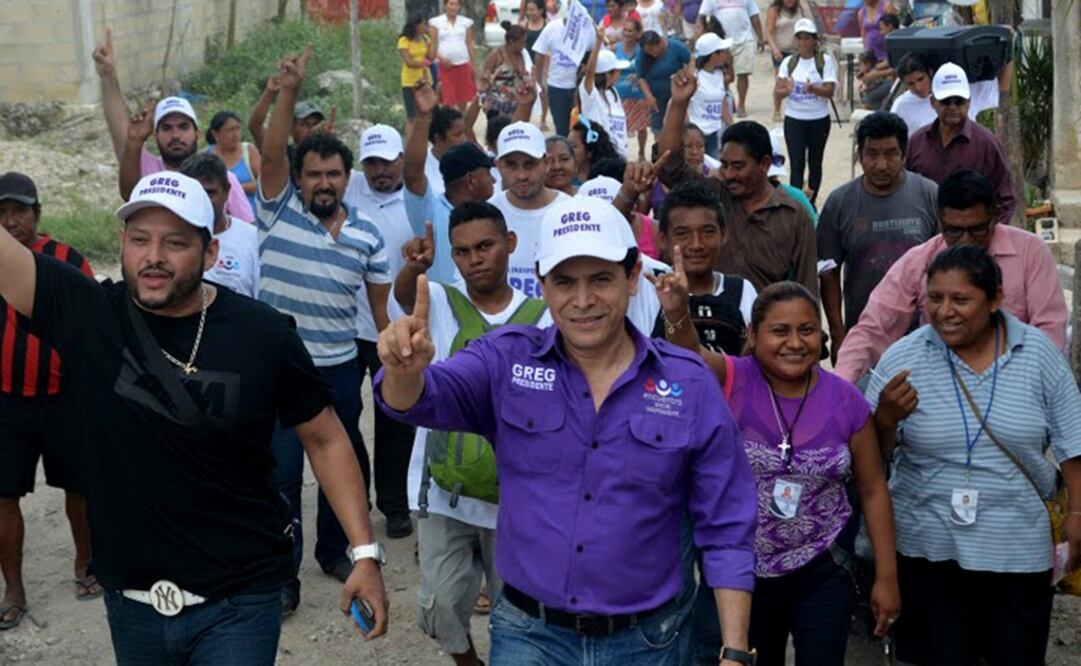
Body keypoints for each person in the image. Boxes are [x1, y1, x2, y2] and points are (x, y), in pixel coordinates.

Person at [0, 168, 389, 660]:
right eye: (140, 239)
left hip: (239, 599)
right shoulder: (90, 313)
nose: (154, 257)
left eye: (176, 243)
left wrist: (364, 554)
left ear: (210, 253)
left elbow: (325, 437)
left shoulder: (263, 333)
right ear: (122, 244)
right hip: (132, 601)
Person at [374, 194, 758, 666]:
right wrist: (404, 370)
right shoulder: (505, 359)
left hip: (649, 643)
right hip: (530, 638)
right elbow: (420, 399)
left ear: (633, 277)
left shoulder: (688, 381)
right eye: (564, 282)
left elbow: (726, 523)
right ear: (542, 284)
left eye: (601, 279)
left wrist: (734, 650)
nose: (582, 301)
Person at [655, 269, 900, 664]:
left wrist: (886, 578)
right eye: (780, 331)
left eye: (807, 330)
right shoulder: (733, 378)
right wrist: (677, 311)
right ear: (754, 334)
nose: (795, 343)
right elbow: (689, 355)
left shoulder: (846, 400)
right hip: (743, 576)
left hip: (823, 566)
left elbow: (872, 489)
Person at [867, 244, 1081, 665]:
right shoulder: (904, 358)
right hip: (928, 549)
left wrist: (1077, 514)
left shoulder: (1037, 354)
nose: (944, 311)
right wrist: (885, 419)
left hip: (1017, 550)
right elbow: (870, 462)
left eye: (960, 299)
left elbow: (1073, 443)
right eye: (934, 298)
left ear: (995, 299)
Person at [257, 47, 393, 615]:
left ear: (346, 178)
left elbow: (381, 314)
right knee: (282, 473)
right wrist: (288, 90)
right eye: (313, 173)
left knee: (345, 462)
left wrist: (394, 360)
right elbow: (270, 150)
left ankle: (337, 552)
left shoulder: (368, 236)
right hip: (277, 367)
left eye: (333, 173)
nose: (323, 182)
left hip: (338, 366)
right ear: (298, 178)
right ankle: (281, 575)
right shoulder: (275, 209)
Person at [393, 201, 546, 666]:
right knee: (440, 605)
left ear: (510, 244)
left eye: (485, 246)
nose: (475, 259)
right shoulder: (440, 301)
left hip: (516, 500)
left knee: (517, 613)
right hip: (444, 492)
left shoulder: (544, 317)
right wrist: (412, 269)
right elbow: (408, 298)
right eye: (461, 252)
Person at [834, 169, 1067, 383]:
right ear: (940, 221)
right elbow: (873, 329)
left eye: (977, 229)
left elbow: (1049, 332)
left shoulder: (1031, 252)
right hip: (941, 385)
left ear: (995, 217)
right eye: (954, 231)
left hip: (1016, 381)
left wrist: (1016, 384)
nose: (966, 240)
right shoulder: (919, 260)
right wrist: (840, 386)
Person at [0, 173, 97, 630]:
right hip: (6, 401)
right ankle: (13, 590)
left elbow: (94, 324)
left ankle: (86, 565)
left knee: (79, 488)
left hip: (66, 398)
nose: (11, 221)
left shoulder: (67, 260)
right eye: (2, 213)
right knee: (4, 495)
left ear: (37, 214)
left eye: (20, 210)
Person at [649, 71, 820, 296]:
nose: (729, 174)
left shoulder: (794, 216)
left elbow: (806, 287)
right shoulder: (713, 195)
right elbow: (669, 166)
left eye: (738, 166)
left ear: (765, 164)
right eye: (725, 165)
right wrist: (679, 104)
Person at [92, 30, 254, 223]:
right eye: (167, 128)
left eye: (183, 127)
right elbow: (121, 130)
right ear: (155, 135)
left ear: (197, 134)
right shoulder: (145, 168)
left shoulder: (222, 179)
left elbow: (246, 231)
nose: (176, 135)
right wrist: (107, 75)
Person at [344, 125, 419, 540]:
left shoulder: (417, 201)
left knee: (395, 418)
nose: (380, 171)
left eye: (387, 161)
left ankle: (394, 504)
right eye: (371, 163)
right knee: (343, 418)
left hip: (396, 327)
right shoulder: (351, 189)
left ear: (402, 159)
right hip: (347, 327)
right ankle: (354, 500)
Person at [817, 111, 939, 364]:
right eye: (872, 154)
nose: (881, 165)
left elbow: (947, 264)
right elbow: (828, 273)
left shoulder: (930, 195)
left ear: (904, 155)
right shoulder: (839, 203)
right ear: (859, 155)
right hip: (864, 337)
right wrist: (839, 335)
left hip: (924, 337)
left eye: (891, 154)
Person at [404, 81, 499, 284]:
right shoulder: (432, 212)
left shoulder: (490, 213)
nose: (493, 179)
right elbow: (412, 175)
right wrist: (423, 119)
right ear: (471, 180)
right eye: (487, 173)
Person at [650, 180, 757, 353]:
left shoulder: (742, 290)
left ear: (724, 234)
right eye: (682, 234)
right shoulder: (651, 289)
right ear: (663, 239)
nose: (696, 245)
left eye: (707, 232)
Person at [905, 63, 1017, 226]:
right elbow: (906, 192)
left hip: (971, 236)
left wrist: (988, 233)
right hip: (926, 234)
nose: (953, 107)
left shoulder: (986, 143)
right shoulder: (916, 142)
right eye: (946, 101)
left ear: (969, 102)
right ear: (933, 102)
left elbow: (1005, 197)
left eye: (959, 101)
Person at [489, 121, 572, 298]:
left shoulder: (570, 211)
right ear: (498, 166)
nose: (521, 175)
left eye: (530, 164)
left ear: (546, 163)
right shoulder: (487, 214)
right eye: (511, 165)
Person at [179, 154, 261, 299]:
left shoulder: (252, 239)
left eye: (210, 193)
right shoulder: (168, 238)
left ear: (227, 192)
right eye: (195, 193)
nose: (203, 201)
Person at [775, 18, 837, 205]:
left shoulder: (824, 61)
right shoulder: (788, 63)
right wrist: (787, 91)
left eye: (807, 38)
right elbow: (778, 92)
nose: (803, 42)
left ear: (814, 40)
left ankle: (811, 203)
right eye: (800, 38)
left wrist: (814, 89)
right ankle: (796, 204)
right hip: (794, 118)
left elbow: (830, 92)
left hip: (818, 118)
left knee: (815, 162)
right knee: (797, 163)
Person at [889, 52, 1010, 137]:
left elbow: (1002, 86)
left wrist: (1010, 52)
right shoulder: (901, 106)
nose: (918, 87)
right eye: (911, 84)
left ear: (930, 72)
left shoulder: (961, 88)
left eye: (921, 79)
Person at [533, 0, 597, 136]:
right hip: (557, 87)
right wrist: (539, 81)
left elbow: (595, 53)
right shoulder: (552, 28)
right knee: (562, 130)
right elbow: (539, 54)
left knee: (581, 130)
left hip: (580, 88)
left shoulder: (589, 30)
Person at [698, 0, 765, 117]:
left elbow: (754, 16)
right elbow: (702, 17)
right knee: (725, 75)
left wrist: (760, 37)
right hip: (720, 41)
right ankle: (723, 100)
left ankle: (741, 105)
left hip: (744, 40)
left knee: (743, 73)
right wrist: (702, 39)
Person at [580, 28, 633, 158]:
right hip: (600, 154)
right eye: (617, 70)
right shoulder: (591, 94)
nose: (620, 73)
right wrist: (598, 42)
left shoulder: (613, 92)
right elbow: (590, 73)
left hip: (619, 153)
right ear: (607, 74)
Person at [637, 31, 693, 138]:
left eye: (652, 49)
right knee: (658, 130)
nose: (651, 54)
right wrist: (648, 96)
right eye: (648, 51)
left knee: (681, 126)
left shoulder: (676, 46)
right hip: (657, 97)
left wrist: (687, 75)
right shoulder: (643, 54)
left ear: (661, 43)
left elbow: (691, 60)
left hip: (677, 95)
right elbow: (641, 77)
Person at [689, 33, 735, 159]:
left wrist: (732, 125)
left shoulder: (718, 75)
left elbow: (722, 101)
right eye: (723, 51)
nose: (726, 53)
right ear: (714, 55)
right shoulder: (695, 77)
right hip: (696, 135)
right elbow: (685, 107)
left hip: (713, 133)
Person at [206, 111, 261, 214]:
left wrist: (237, 189)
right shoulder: (205, 157)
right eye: (229, 130)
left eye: (238, 128)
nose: (235, 134)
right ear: (215, 134)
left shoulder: (249, 151)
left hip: (252, 216)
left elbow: (265, 184)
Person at [430, 0, 478, 113]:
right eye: (451, 4)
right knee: (448, 98)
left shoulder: (466, 23)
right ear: (445, 5)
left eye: (456, 4)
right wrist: (441, 58)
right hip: (445, 66)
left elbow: (469, 44)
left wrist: (473, 65)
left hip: (463, 64)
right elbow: (432, 45)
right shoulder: (436, 22)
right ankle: (448, 121)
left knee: (463, 98)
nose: (454, 7)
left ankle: (461, 120)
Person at [766, 0, 810, 121]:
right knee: (780, 81)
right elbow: (769, 32)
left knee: (799, 79)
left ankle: (800, 106)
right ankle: (777, 111)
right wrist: (774, 48)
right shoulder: (775, 10)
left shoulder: (799, 9)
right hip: (780, 51)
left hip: (796, 50)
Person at [614, 16, 650, 161]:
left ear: (637, 33)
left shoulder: (642, 51)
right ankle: (620, 153)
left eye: (631, 31)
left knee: (642, 126)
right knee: (619, 126)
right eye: (625, 30)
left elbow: (650, 68)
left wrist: (640, 75)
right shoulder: (616, 49)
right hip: (619, 94)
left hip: (639, 94)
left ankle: (641, 152)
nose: (627, 34)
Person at [483, 23, 531, 117]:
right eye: (521, 42)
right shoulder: (496, 54)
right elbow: (486, 78)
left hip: (515, 102)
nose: (524, 45)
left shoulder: (520, 55)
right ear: (512, 41)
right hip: (497, 103)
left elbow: (522, 74)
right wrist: (485, 100)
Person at [399, 14, 434, 138]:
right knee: (412, 115)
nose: (426, 27)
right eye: (423, 24)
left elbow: (431, 56)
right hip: (410, 81)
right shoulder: (404, 40)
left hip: (425, 79)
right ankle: (410, 140)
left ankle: (424, 138)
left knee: (427, 113)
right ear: (416, 25)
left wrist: (434, 39)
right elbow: (408, 62)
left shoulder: (425, 39)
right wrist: (423, 63)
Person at [426, 105, 469, 197]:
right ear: (438, 138)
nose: (464, 140)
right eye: (457, 135)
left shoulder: (470, 158)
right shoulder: (422, 167)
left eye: (464, 133)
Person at [522, 0, 550, 129]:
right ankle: (524, 117)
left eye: (532, 10)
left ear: (541, 10)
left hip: (543, 64)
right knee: (526, 91)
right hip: (527, 64)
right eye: (528, 10)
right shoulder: (524, 25)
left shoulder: (547, 25)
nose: (530, 13)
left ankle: (543, 120)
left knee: (543, 92)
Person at [570, 118, 623, 185]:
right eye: (567, 144)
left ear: (590, 151)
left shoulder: (611, 179)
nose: (568, 149)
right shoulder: (566, 180)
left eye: (573, 146)